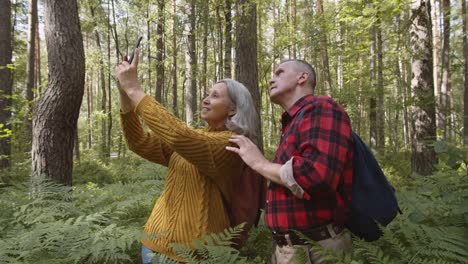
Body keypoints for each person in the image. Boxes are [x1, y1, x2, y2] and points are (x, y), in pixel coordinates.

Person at [115, 48, 262, 263]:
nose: (205, 99)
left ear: (232, 110)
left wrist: (135, 89)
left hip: (193, 255)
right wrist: (125, 94)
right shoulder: (197, 137)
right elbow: (139, 142)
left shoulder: (232, 144)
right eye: (206, 94)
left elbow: (178, 136)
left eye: (215, 96)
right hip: (153, 244)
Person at [226, 59, 354, 264]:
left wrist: (260, 163)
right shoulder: (294, 121)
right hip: (289, 249)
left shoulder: (322, 107)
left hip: (318, 250)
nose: (271, 79)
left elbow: (317, 175)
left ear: (302, 78)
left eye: (279, 72)